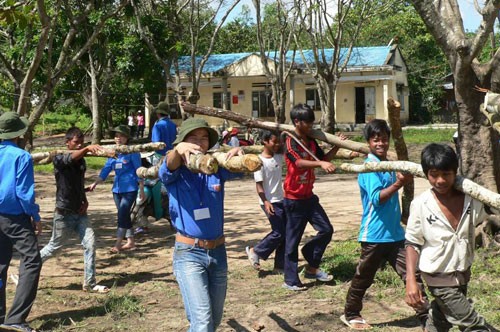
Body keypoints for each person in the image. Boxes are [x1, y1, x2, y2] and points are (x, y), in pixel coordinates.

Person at [341, 119, 428, 330]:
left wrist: (398, 179)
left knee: (412, 274)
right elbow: (377, 199)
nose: (381, 143)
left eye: (384, 139)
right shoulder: (370, 167)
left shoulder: (389, 163)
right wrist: (399, 183)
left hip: (396, 234)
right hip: (374, 235)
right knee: (364, 277)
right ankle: (351, 313)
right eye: (375, 139)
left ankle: (425, 314)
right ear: (369, 141)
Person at [158, 118, 243, 332]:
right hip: (189, 254)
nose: (199, 142)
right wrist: (177, 151)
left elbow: (240, 170)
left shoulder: (214, 167)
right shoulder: (174, 172)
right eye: (193, 138)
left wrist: (237, 154)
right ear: (183, 141)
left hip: (218, 253)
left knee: (212, 321)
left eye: (204, 137)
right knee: (203, 322)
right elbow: (166, 167)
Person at [405, 143, 491, 332]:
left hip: (462, 273)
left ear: (455, 172)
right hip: (437, 276)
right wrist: (411, 280)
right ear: (426, 173)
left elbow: (491, 207)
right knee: (474, 325)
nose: (440, 180)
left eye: (446, 174)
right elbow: (412, 242)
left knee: (440, 320)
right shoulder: (421, 204)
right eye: (434, 174)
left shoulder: (471, 199)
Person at [39, 127, 109, 293]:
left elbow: (78, 184)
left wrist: (85, 201)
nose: (79, 146)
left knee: (90, 244)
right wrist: (86, 149)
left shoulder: (81, 161)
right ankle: (28, 268)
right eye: (76, 143)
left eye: (82, 143)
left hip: (80, 213)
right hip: (63, 213)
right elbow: (69, 160)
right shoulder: (58, 157)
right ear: (67, 143)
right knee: (53, 248)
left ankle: (90, 283)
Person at [282, 103, 343, 291]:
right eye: (307, 123)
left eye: (311, 122)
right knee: (292, 240)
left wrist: (336, 147)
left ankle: (311, 263)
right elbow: (298, 163)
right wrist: (320, 165)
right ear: (296, 122)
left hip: (309, 197)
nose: (310, 126)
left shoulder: (311, 141)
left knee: (326, 229)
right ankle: (290, 280)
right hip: (293, 199)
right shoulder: (290, 140)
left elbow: (323, 160)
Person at [0, 112, 42, 332]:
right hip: (14, 216)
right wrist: (35, 216)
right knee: (32, 260)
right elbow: (24, 193)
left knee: (0, 264)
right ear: (19, 133)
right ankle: (15, 318)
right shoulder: (21, 156)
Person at [89, 125, 144, 253]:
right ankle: (131, 242)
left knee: (122, 215)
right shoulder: (113, 153)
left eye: (121, 136)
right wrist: (95, 183)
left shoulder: (133, 152)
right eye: (116, 136)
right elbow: (106, 170)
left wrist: (141, 188)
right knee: (123, 215)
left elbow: (139, 170)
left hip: (130, 188)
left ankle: (118, 244)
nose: (118, 138)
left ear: (127, 138)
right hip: (117, 190)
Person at [245, 130, 286, 273]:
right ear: (265, 141)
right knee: (279, 232)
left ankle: (280, 266)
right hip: (269, 201)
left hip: (281, 199)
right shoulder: (258, 161)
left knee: (285, 232)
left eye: (278, 141)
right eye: (273, 141)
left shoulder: (279, 156)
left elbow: (287, 142)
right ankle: (255, 251)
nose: (277, 144)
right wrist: (266, 201)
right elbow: (259, 185)